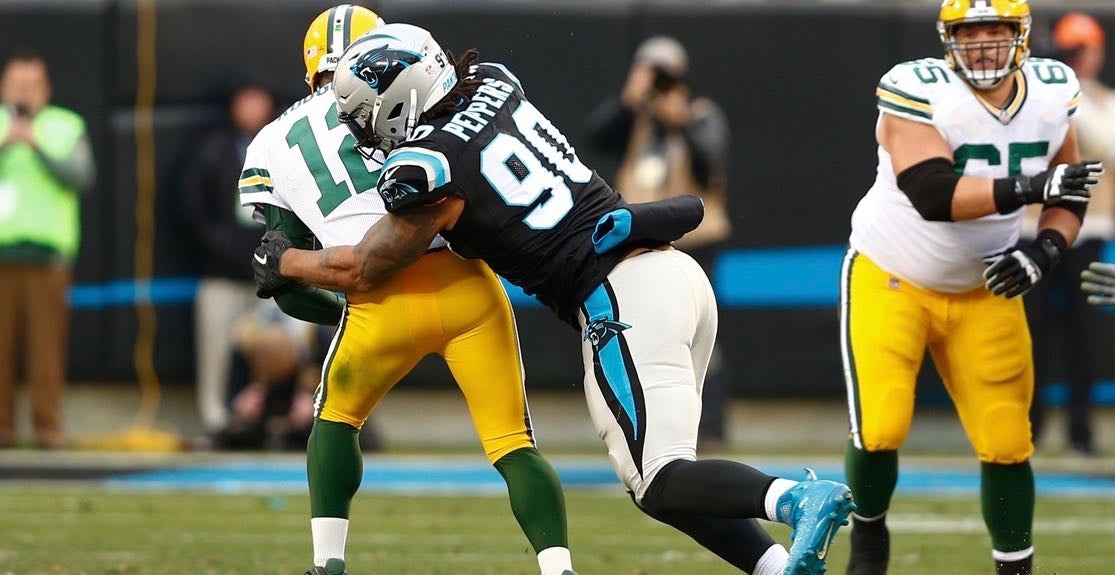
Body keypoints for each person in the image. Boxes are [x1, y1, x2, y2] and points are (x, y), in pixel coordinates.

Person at [255, 22, 854, 575]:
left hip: (620, 296)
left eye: (364, 114)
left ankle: (796, 497)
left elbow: (363, 267)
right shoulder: (493, 82)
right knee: (665, 479)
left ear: (400, 98)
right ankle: (778, 569)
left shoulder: (427, 167)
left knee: (661, 479)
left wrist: (283, 259)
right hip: (674, 277)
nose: (362, 131)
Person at [236, 7, 577, 575]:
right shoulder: (432, 93)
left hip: (376, 303)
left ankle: (328, 563)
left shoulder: (272, 141)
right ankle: (558, 567)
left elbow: (284, 279)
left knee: (335, 420)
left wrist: (349, 312)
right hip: (466, 285)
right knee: (513, 442)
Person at [840, 1, 1101, 574]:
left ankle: (1016, 567)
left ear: (1021, 36)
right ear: (947, 39)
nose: (982, 43)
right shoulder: (916, 88)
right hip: (894, 275)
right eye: (969, 32)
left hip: (987, 284)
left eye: (995, 30)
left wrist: (1045, 250)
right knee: (881, 426)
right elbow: (933, 194)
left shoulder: (1054, 91)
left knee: (1008, 438)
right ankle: (868, 535)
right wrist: (1035, 185)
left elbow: (1069, 190)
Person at [587, 36, 733, 451]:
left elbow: (712, 160)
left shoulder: (701, 116)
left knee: (701, 334)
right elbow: (595, 136)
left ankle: (710, 428)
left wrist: (680, 122)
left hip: (694, 241)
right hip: (636, 241)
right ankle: (639, 423)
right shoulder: (635, 118)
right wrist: (628, 101)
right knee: (633, 331)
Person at [1024, 11, 1115, 457]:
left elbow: (1107, 143)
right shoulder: (1035, 101)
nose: (1079, 58)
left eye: (1084, 49)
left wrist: (1067, 92)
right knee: (1028, 336)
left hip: (1090, 230)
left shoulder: (1101, 103)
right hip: (1035, 231)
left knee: (1086, 334)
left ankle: (1082, 433)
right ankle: (1027, 432)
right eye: (1070, 50)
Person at [0, 51, 95, 449]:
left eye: (31, 85)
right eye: (16, 84)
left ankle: (46, 427)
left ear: (46, 90)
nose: (23, 92)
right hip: (2, 256)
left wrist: (36, 145)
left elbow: (80, 176)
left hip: (47, 260)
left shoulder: (65, 125)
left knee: (45, 351)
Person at [181, 81, 276, 436]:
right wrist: (224, 248)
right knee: (215, 349)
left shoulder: (280, 148)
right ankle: (216, 422)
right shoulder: (213, 150)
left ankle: (267, 419)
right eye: (245, 99)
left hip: (270, 274)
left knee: (277, 346)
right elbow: (193, 208)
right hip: (221, 272)